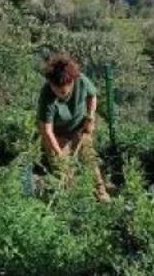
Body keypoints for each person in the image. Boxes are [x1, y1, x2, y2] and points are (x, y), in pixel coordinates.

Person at [37, 54, 109, 201]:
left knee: (90, 161)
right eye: (55, 89)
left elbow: (92, 96)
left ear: (71, 82)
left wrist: (90, 118)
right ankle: (71, 201)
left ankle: (102, 195)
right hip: (57, 135)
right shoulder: (46, 95)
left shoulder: (81, 81)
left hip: (79, 129)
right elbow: (47, 131)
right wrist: (59, 154)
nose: (58, 94)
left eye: (63, 92)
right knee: (63, 173)